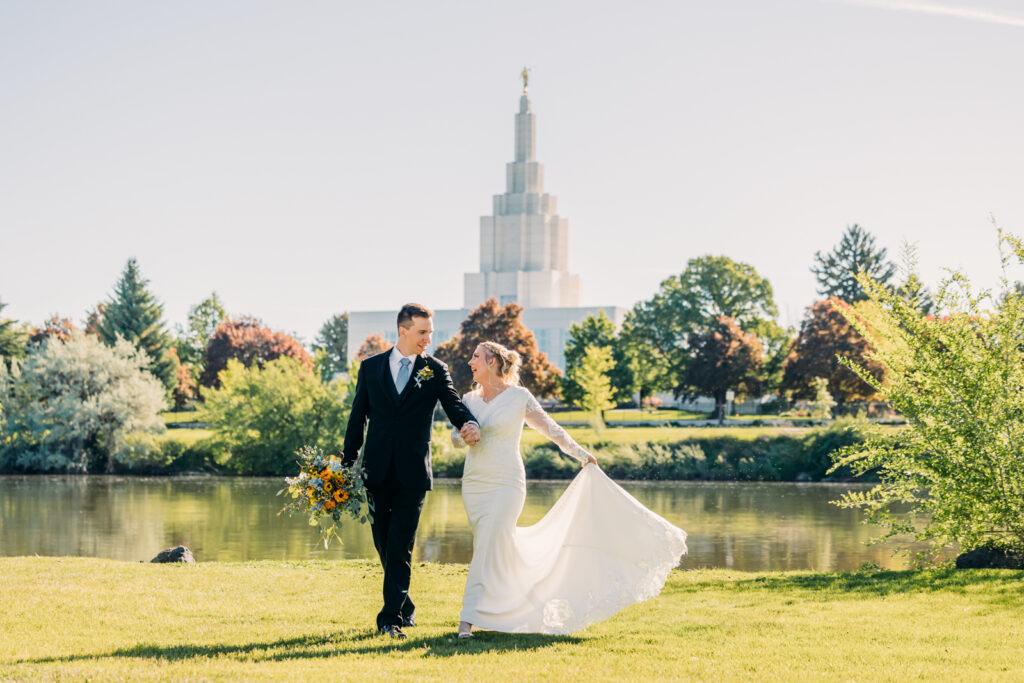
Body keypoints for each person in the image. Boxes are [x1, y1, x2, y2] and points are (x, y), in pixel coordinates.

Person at [452, 341, 688, 638]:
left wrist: (580, 453)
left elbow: (551, 428)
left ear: (493, 363)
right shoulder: (469, 399)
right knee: (496, 548)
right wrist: (464, 436)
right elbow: (455, 438)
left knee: (487, 544)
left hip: (506, 484)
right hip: (475, 484)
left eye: (475, 357)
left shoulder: (518, 397)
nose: (469, 362)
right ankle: (518, 609)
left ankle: (467, 620)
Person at [342, 303, 481, 639]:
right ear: (402, 330)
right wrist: (346, 464)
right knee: (384, 545)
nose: (428, 339)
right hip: (374, 471)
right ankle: (405, 606)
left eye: (430, 332)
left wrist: (469, 422)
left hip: (413, 473)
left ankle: (391, 620)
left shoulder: (435, 369)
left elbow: (453, 403)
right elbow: (358, 416)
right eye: (422, 332)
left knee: (401, 545)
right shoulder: (371, 368)